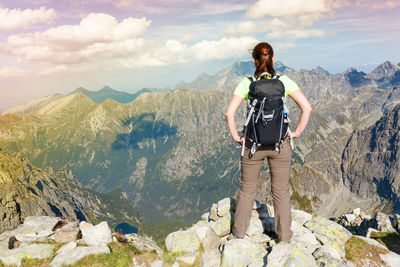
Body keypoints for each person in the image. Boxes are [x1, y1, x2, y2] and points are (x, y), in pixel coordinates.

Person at [225, 42, 312, 242]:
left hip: (252, 145)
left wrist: (237, 137)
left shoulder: (247, 83)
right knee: (280, 191)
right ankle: (284, 238)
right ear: (273, 58)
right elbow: (307, 108)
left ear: (254, 61)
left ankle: (238, 235)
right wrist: (296, 133)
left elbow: (229, 114)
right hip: (280, 145)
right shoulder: (285, 81)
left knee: (247, 189)